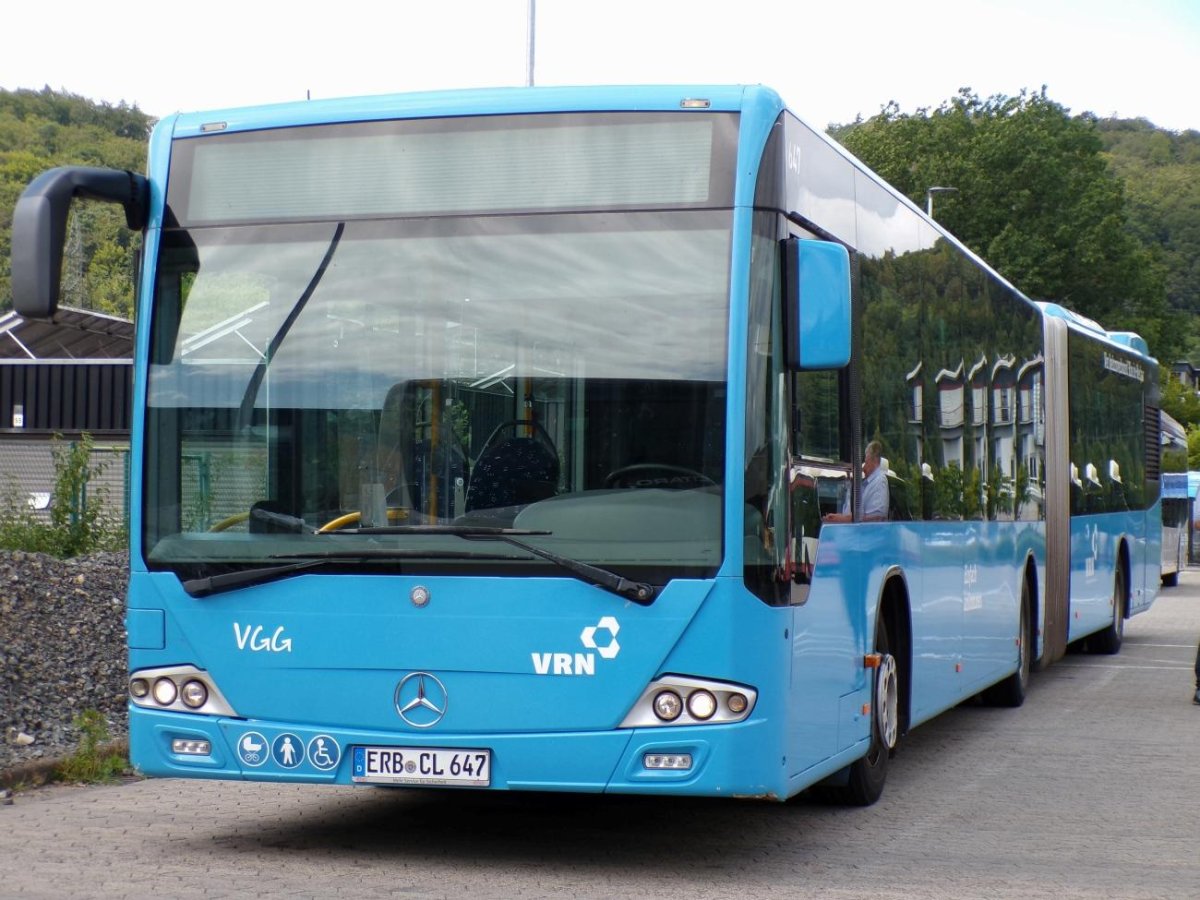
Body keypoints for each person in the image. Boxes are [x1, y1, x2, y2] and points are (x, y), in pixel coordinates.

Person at [824, 440, 889, 524]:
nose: (863, 468)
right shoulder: (865, 484)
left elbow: (876, 519)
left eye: (866, 462)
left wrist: (842, 519)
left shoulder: (879, 481)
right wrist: (838, 518)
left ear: (875, 459)